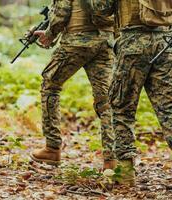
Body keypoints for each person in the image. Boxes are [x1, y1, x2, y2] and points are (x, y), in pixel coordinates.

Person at [90, 0, 172, 190]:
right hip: (164, 43)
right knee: (171, 106)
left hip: (131, 42)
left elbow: (100, 9)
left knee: (122, 108)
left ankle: (126, 174)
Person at [30, 0, 116, 170]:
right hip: (105, 42)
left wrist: (50, 33)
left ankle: (52, 148)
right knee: (105, 100)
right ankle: (111, 160)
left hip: (76, 42)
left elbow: (61, 14)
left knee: (50, 85)